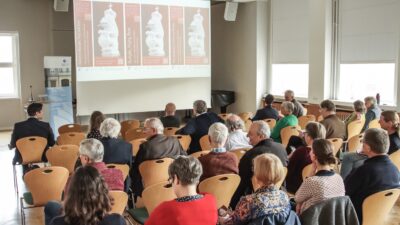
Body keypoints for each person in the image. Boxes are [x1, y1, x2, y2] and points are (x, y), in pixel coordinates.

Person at [345, 128, 400, 223]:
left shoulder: (363, 170)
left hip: (355, 217)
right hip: (377, 216)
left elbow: (344, 192)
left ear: (367, 147)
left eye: (363, 142)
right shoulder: (395, 170)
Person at [220, 154, 292, 225]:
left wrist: (221, 219)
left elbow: (232, 223)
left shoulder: (249, 201)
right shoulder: (284, 197)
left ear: (257, 175)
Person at [230, 121, 288, 208]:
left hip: (258, 202)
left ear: (261, 136)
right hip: (279, 195)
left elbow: (241, 185)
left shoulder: (251, 155)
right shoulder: (281, 148)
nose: (247, 136)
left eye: (250, 134)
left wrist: (232, 205)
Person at [145, 156, 218, 225]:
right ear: (197, 180)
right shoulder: (211, 200)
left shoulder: (165, 209)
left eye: (170, 179)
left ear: (176, 179)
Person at [45, 166, 126, 225]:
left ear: (71, 194)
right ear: (102, 191)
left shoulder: (57, 222)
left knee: (51, 206)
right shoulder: (117, 221)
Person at [131, 117, 186, 197]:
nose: (143, 132)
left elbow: (136, 169)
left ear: (154, 130)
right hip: (173, 184)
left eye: (145, 129)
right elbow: (185, 158)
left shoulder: (145, 146)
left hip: (151, 187)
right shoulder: (174, 141)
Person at [340, 111, 400, 179]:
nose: (379, 121)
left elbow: (381, 157)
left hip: (376, 161)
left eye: (381, 119)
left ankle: (345, 182)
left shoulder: (393, 141)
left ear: (389, 123)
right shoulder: (389, 136)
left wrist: (367, 152)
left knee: (350, 159)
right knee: (348, 156)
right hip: (374, 157)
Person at [295, 139, 345, 214]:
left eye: (311, 150)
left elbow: (297, 198)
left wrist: (299, 203)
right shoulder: (339, 178)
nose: (310, 152)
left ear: (314, 156)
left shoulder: (312, 182)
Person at [9, 102, 55, 172]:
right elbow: (52, 143)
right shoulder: (46, 126)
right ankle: (41, 173)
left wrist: (11, 146)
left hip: (22, 157)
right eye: (41, 111)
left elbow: (13, 144)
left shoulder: (18, 126)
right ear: (37, 113)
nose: (42, 113)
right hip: (42, 156)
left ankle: (26, 172)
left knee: (24, 152)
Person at [286, 122, 326, 193]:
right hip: (317, 188)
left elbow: (289, 171)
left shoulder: (301, 151)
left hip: (297, 188)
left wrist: (288, 157)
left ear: (309, 136)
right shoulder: (325, 152)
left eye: (305, 133)